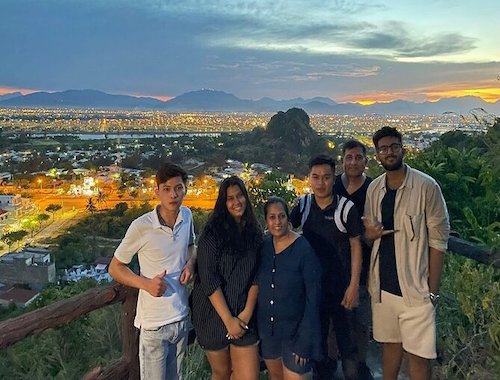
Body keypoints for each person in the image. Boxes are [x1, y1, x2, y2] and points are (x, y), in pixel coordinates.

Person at [363, 127, 450, 380]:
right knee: (389, 348)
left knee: (419, 359)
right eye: (383, 149)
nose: (389, 152)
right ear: (377, 155)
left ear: (402, 148)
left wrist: (432, 290)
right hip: (384, 288)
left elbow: (439, 240)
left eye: (393, 147)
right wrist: (371, 234)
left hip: (416, 290)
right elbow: (369, 234)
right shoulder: (375, 189)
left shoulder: (426, 187)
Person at [108, 162, 196, 380]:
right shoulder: (142, 226)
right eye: (166, 189)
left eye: (178, 188)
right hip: (154, 325)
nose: (173, 194)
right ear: (157, 191)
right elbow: (115, 267)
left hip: (181, 318)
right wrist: (145, 284)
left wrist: (191, 263)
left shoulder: (187, 216)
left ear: (185, 189)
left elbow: (191, 246)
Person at [290, 155, 362, 380]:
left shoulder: (345, 208)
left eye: (326, 177)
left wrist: (353, 286)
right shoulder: (303, 205)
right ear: (309, 179)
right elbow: (284, 233)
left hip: (341, 287)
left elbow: (356, 247)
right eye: (316, 177)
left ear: (334, 178)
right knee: (318, 341)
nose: (321, 183)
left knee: (347, 341)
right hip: (313, 289)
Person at [191, 176, 263, 380]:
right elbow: (208, 278)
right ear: (223, 203)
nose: (236, 202)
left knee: (248, 376)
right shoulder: (212, 234)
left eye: (239, 196)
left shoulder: (254, 231)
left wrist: (246, 313)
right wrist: (228, 320)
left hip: (244, 312)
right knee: (221, 373)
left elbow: (258, 274)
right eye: (230, 198)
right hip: (213, 314)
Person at [257, 196, 322, 380]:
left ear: (288, 219)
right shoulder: (264, 247)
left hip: (296, 335)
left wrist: (305, 341)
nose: (277, 222)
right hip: (269, 334)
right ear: (266, 220)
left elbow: (313, 298)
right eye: (272, 217)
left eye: (281, 216)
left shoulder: (303, 250)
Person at [333, 140, 374, 380]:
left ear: (366, 162)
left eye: (358, 157)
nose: (353, 162)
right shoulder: (334, 185)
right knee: (332, 323)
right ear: (342, 161)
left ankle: (359, 366)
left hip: (364, 269)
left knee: (360, 322)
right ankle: (332, 363)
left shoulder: (373, 188)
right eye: (349, 157)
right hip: (333, 268)